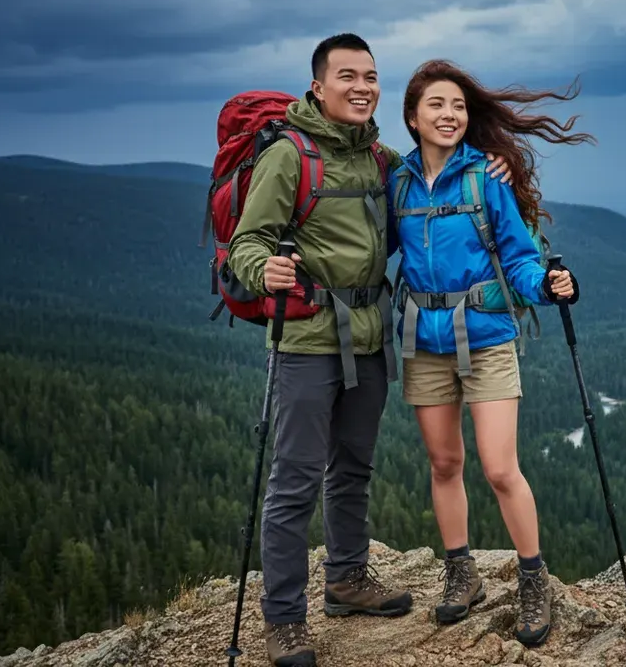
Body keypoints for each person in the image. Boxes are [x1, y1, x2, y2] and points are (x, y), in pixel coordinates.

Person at [228, 34, 511, 667]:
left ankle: (348, 579)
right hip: (305, 340)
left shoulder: (379, 160)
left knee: (353, 465)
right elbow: (249, 240)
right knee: (296, 479)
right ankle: (282, 620)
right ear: (317, 87)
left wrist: (493, 164)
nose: (362, 86)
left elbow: (436, 177)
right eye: (348, 75)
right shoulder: (290, 156)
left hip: (369, 334)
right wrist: (262, 269)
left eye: (371, 75)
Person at [387, 59, 594, 648]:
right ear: (412, 118)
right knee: (445, 464)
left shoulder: (487, 179)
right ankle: (461, 574)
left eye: (457, 106)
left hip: (486, 336)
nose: (450, 115)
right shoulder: (396, 182)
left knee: (501, 468)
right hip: (422, 341)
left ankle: (534, 581)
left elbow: (521, 255)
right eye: (436, 106)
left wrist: (547, 287)